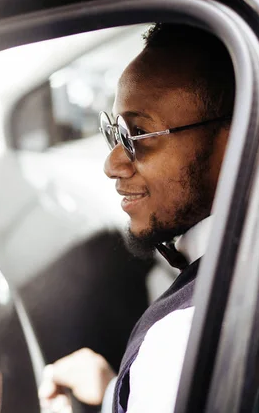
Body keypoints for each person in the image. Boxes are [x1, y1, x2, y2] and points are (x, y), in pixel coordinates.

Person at [38, 22, 235, 413]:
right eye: (115, 133)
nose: (112, 165)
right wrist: (116, 391)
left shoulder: (181, 337)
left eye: (138, 135)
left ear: (230, 143)